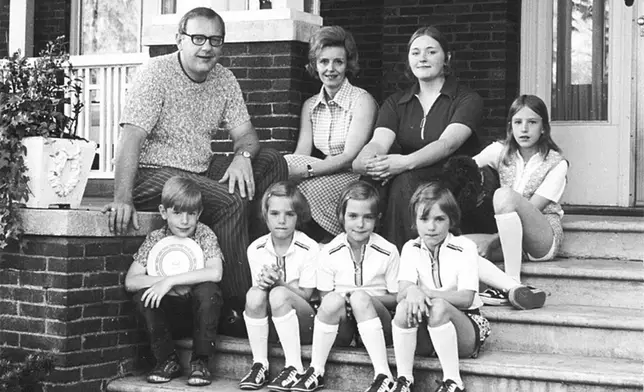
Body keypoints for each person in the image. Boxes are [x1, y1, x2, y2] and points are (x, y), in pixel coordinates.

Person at [103, 7, 288, 308]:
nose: (207, 47)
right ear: (179, 39)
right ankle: (237, 305)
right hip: (155, 174)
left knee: (272, 161)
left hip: (198, 170)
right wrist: (122, 198)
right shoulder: (155, 73)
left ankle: (259, 260)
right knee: (231, 201)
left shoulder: (224, 79)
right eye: (198, 38)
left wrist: (241, 156)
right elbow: (130, 138)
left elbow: (247, 135)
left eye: (216, 40)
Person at [352, 26, 483, 250]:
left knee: (405, 182)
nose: (422, 58)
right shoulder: (397, 102)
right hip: (409, 170)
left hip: (453, 175)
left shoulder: (466, 99)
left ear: (447, 58)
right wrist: (367, 163)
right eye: (415, 52)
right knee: (368, 185)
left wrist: (402, 163)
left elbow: (447, 144)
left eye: (431, 52)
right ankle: (366, 261)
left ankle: (406, 263)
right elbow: (378, 142)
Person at [461, 94, 568, 310]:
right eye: (518, 122)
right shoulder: (500, 151)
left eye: (532, 122)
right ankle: (499, 290)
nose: (524, 129)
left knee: (504, 195)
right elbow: (465, 169)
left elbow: (532, 208)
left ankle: (512, 283)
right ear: (510, 127)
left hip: (541, 239)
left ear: (544, 128)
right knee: (460, 245)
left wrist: (492, 240)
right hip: (511, 239)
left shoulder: (557, 163)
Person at [291, 181, 400, 392]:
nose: (360, 224)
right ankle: (316, 370)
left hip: (379, 322)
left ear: (377, 219)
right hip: (344, 328)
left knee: (360, 298)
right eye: (353, 216)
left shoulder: (388, 250)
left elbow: (396, 297)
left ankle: (384, 375)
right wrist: (346, 299)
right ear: (342, 217)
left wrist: (362, 297)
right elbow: (325, 296)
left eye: (367, 217)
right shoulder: (330, 251)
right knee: (332, 300)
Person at [124, 176, 224, 386]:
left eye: (191, 213)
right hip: (169, 316)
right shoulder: (156, 238)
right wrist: (161, 282)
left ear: (199, 213)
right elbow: (131, 281)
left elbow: (215, 273)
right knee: (142, 297)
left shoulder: (204, 234)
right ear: (163, 212)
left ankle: (200, 362)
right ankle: (167, 360)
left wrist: (170, 281)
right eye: (177, 213)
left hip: (199, 314)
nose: (184, 221)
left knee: (209, 291)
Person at [390, 183, 490, 392]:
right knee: (402, 307)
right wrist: (413, 291)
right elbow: (403, 292)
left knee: (438, 306)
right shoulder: (411, 248)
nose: (431, 227)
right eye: (424, 219)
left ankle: (453, 381)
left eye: (439, 219)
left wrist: (424, 292)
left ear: (451, 220)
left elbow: (466, 298)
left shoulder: (465, 247)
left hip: (465, 326)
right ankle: (404, 379)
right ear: (415, 221)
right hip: (428, 328)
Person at [284, 26, 377, 240]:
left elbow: (348, 157)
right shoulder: (310, 105)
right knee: (283, 170)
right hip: (323, 170)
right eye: (324, 62)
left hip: (353, 174)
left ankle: (329, 240)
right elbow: (301, 152)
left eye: (338, 62)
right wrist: (291, 169)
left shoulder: (362, 100)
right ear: (315, 65)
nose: (330, 69)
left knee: (309, 187)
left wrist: (305, 172)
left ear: (348, 65)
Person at [239, 181, 320, 391]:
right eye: (274, 213)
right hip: (273, 325)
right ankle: (260, 364)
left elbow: (307, 295)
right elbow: (258, 297)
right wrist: (266, 283)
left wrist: (279, 283)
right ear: (265, 215)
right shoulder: (255, 248)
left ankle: (295, 366)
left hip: (305, 322)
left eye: (289, 214)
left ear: (298, 216)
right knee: (254, 294)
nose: (281, 221)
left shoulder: (309, 247)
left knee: (280, 294)